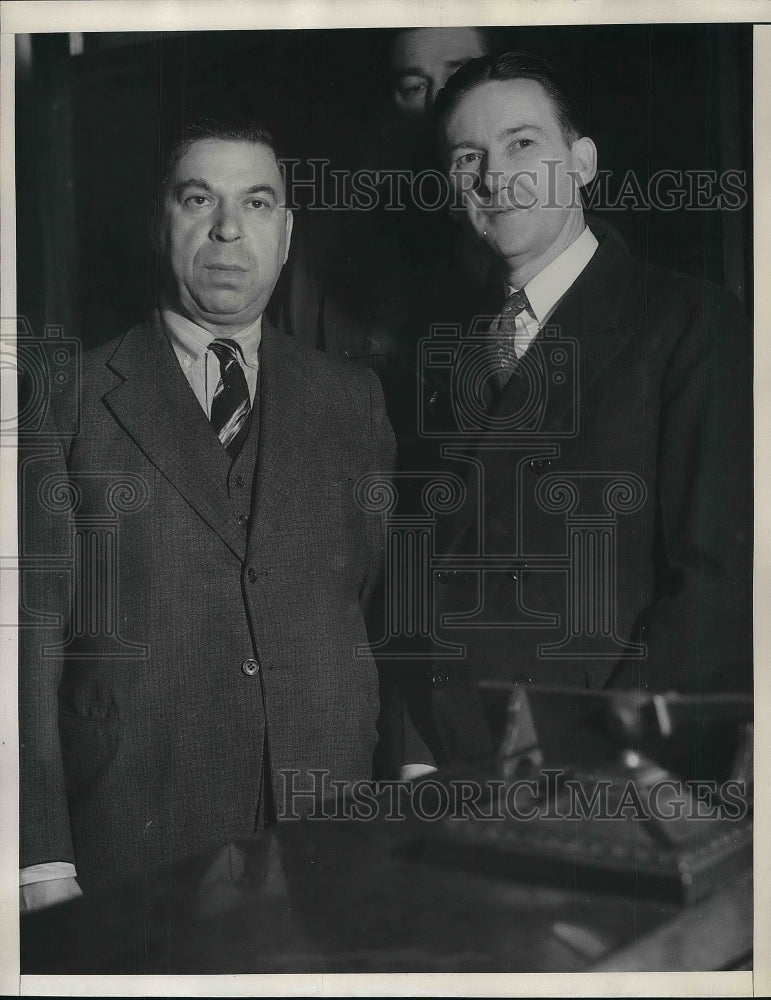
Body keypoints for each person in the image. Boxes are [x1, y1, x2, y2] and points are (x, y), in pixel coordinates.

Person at [18, 121, 395, 909]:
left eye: (257, 203)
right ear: (162, 222)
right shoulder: (68, 396)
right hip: (136, 832)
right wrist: (39, 858)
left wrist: (413, 774)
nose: (228, 228)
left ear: (287, 234)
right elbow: (25, 638)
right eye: (200, 199)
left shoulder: (350, 399)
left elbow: (386, 612)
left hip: (329, 822)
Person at [410, 51, 752, 763]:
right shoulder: (440, 349)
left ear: (582, 162)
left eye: (522, 144)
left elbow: (719, 585)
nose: (494, 177)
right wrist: (413, 749)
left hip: (591, 769)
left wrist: (585, 750)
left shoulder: (690, 321)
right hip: (450, 764)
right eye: (467, 156)